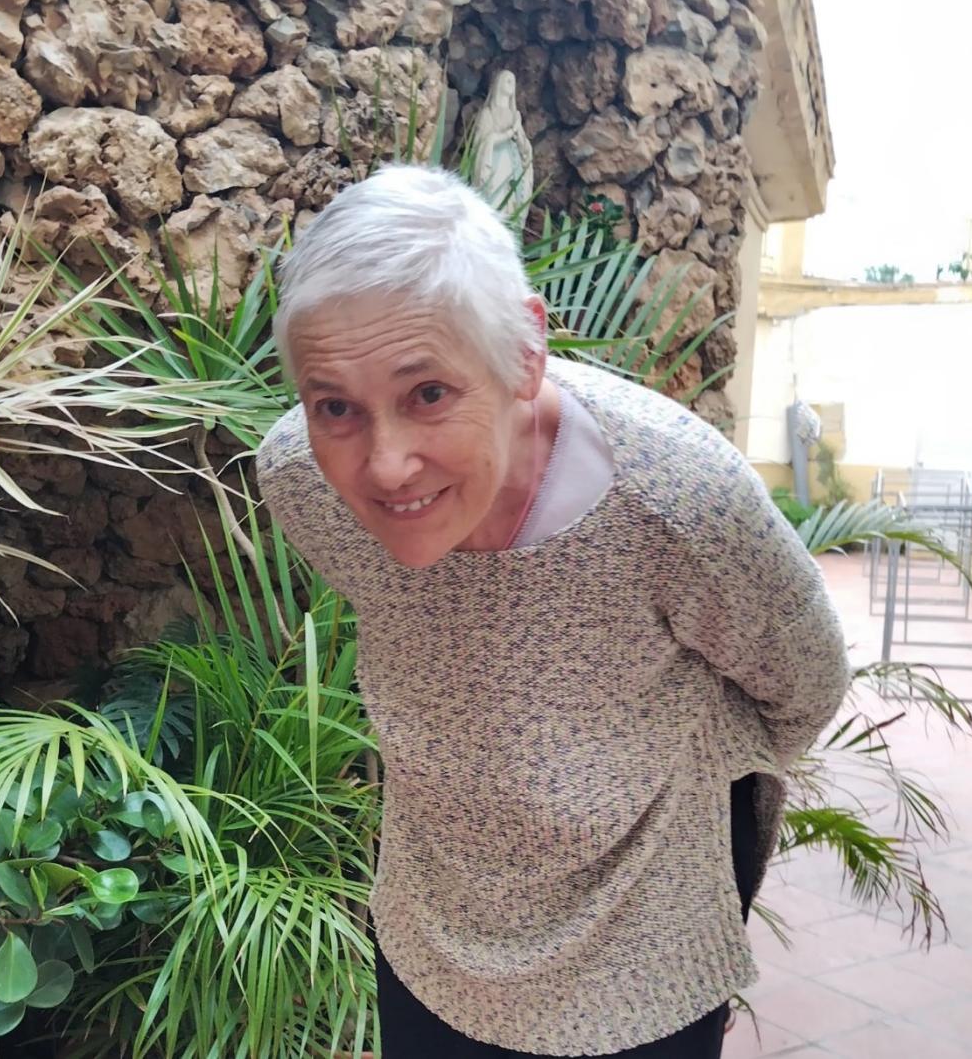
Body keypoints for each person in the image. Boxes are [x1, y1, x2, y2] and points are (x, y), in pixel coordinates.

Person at [254, 165, 850, 1058]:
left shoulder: (678, 503)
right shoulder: (302, 479)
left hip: (643, 955)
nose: (384, 466)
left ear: (525, 354)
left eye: (428, 394)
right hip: (431, 934)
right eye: (336, 405)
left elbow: (804, 686)